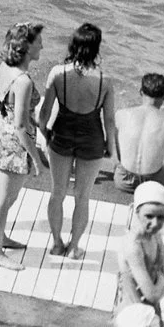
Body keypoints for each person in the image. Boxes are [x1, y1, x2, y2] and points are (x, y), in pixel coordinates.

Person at [38, 22, 117, 259]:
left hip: (61, 135)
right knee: (83, 196)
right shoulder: (105, 80)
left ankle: (56, 242)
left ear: (73, 44)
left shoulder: (58, 73)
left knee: (57, 192)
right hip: (92, 140)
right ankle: (74, 247)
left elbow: (44, 114)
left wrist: (46, 133)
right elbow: (110, 120)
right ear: (96, 48)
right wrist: (109, 148)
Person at [0, 21, 47, 269]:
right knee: (4, 199)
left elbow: (5, 108)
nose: (42, 45)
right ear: (27, 46)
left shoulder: (4, 68)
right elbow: (21, 125)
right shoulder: (24, 81)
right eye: (39, 41)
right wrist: (37, 159)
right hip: (14, 144)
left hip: (0, 134)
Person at [113, 183, 164, 327]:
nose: (155, 223)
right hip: (131, 315)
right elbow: (153, 294)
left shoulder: (155, 236)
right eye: (149, 216)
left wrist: (157, 289)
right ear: (137, 211)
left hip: (150, 311)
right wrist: (161, 280)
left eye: (160, 217)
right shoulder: (133, 246)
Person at [114, 73, 164, 196]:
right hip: (155, 186)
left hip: (123, 181)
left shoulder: (121, 115)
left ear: (141, 92)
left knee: (121, 166)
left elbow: (121, 157)